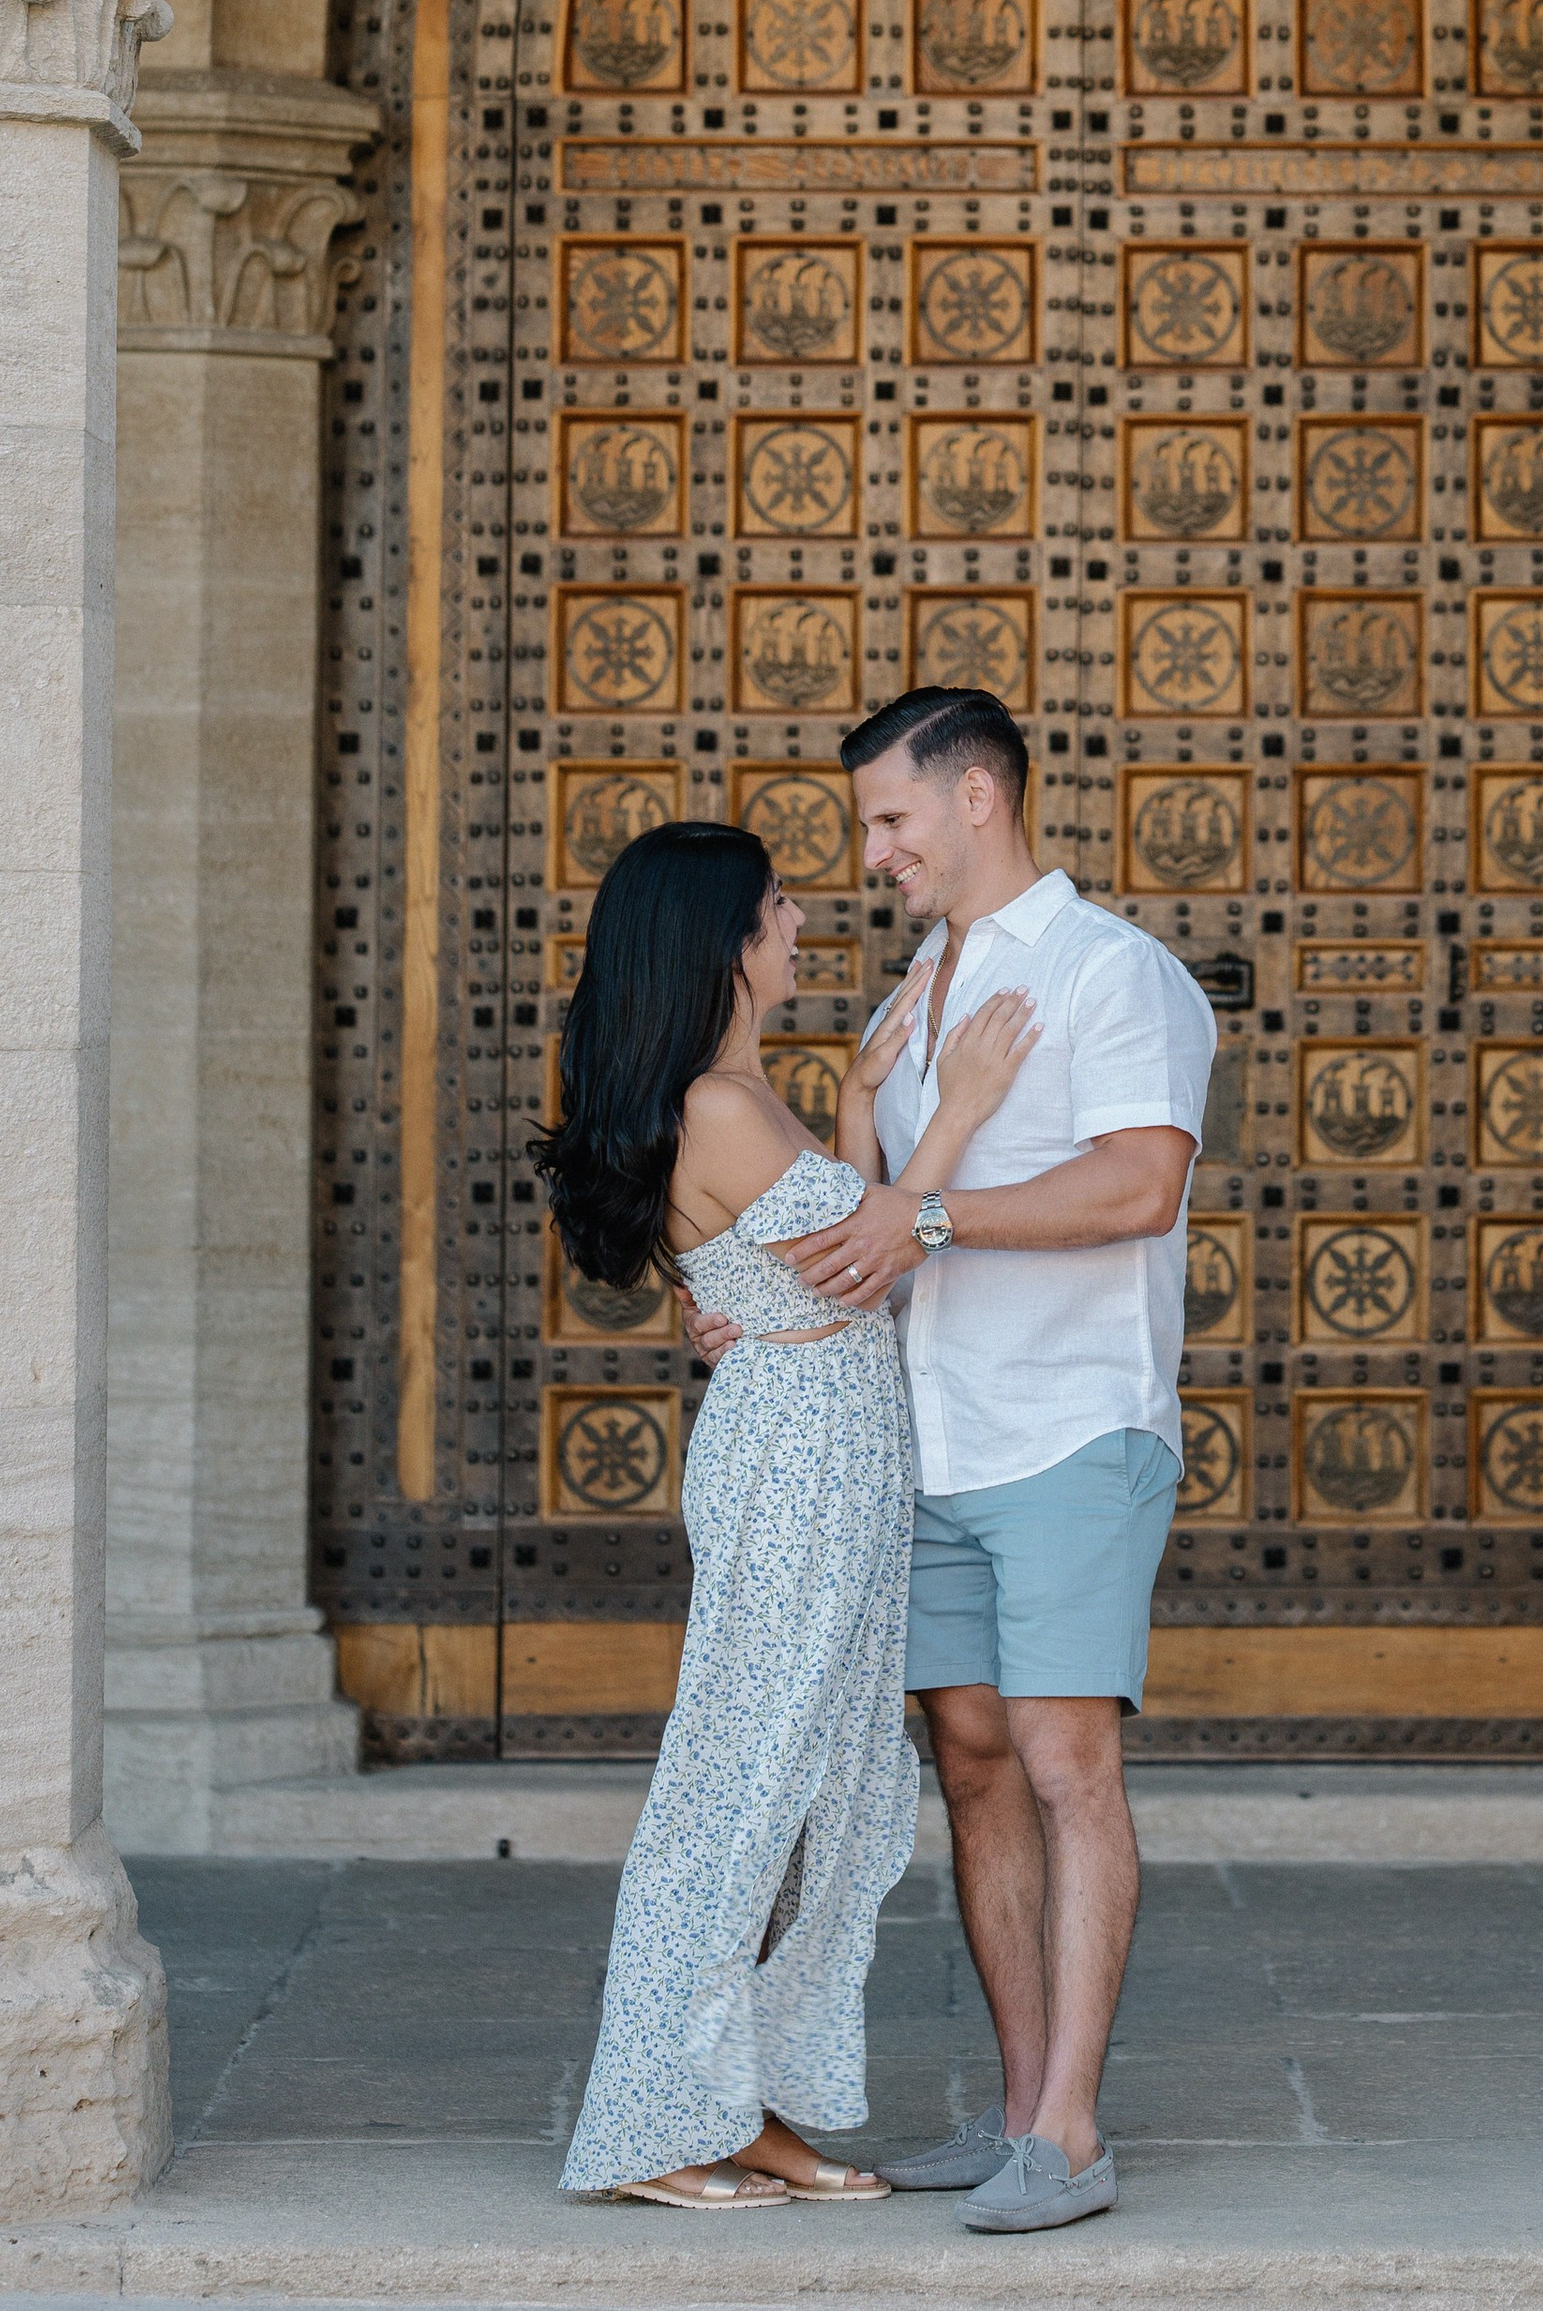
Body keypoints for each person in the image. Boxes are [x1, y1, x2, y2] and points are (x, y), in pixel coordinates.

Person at [689, 687, 1214, 2236]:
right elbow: (871, 1216)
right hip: (926, 1436)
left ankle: (1071, 2132)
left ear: (978, 798)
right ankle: (1016, 2107)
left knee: (1064, 1764)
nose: (875, 852)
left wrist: (920, 1217)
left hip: (1069, 1427)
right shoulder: (921, 984)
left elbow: (1136, 1190)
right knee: (973, 1762)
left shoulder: (1117, 974)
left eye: (891, 819)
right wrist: (775, 1309)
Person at [531, 817, 1037, 2213]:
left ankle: (739, 2103)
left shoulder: (743, 1099)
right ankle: (655, 2124)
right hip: (797, 1466)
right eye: (775, 905)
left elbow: (805, 1263)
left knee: (812, 1792)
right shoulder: (719, 1108)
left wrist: (869, 1097)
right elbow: (867, 1263)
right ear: (725, 944)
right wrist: (961, 1107)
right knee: (741, 1788)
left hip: (829, 1451)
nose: (802, 916)